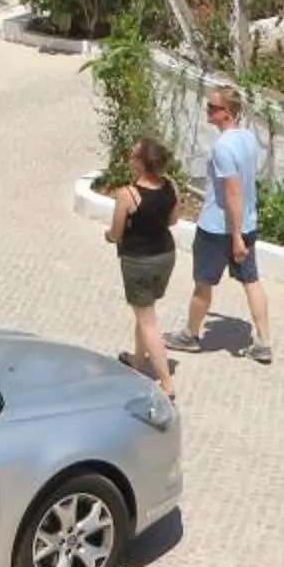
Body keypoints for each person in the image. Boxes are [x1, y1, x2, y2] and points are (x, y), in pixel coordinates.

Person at [171, 85, 273, 363]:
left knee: (203, 284)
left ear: (227, 113)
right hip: (247, 224)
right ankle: (264, 342)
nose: (208, 111)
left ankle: (190, 335)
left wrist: (236, 237)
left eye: (212, 108)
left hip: (218, 229)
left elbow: (232, 192)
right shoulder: (249, 139)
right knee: (251, 281)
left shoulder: (222, 148)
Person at [104, 136, 180, 395]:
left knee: (147, 320)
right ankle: (138, 358)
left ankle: (166, 383)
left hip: (139, 261)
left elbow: (115, 233)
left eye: (132, 155)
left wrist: (108, 236)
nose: (129, 158)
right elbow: (173, 221)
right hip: (166, 256)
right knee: (145, 310)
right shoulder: (172, 186)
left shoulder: (128, 195)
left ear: (141, 163)